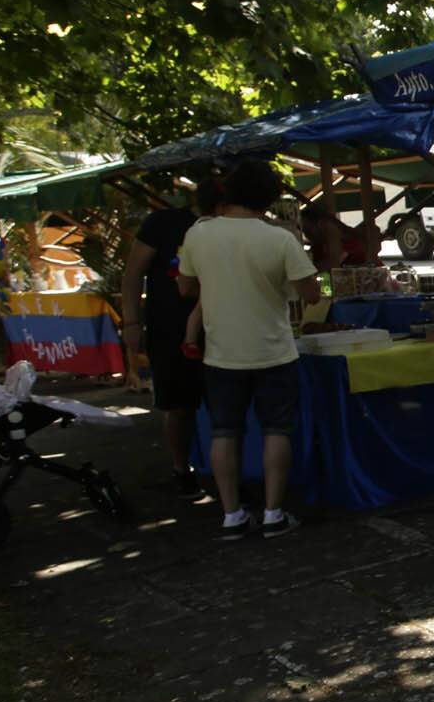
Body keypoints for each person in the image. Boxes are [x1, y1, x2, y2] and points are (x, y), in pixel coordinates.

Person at [177, 160, 322, 539]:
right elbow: (312, 293)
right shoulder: (279, 238)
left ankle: (231, 515)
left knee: (224, 432)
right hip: (274, 349)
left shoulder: (199, 234)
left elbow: (185, 288)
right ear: (270, 199)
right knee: (277, 430)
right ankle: (274, 512)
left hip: (222, 353)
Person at [121, 178, 219, 496]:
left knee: (222, 404)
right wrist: (132, 322)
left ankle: (226, 473)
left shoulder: (229, 228)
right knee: (178, 405)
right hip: (168, 328)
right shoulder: (163, 222)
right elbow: (133, 273)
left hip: (221, 327)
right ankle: (181, 467)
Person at [300, 199, 382, 271]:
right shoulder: (318, 247)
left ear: (321, 224)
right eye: (304, 230)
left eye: (308, 229)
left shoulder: (352, 239)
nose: (306, 234)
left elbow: (330, 264)